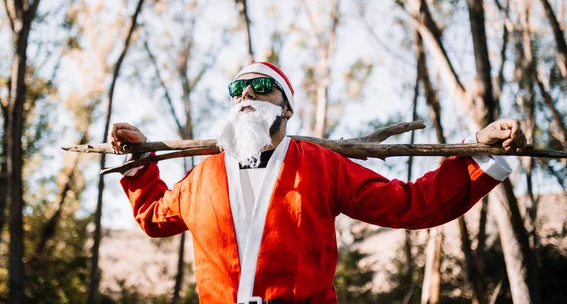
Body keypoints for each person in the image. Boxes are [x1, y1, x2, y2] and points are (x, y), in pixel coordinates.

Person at [111, 61, 527, 304]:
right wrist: (139, 157)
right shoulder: (202, 178)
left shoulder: (322, 166)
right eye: (238, 90)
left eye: (261, 88)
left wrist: (476, 150)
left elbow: (412, 205)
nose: (246, 97)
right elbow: (153, 216)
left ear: (286, 109)